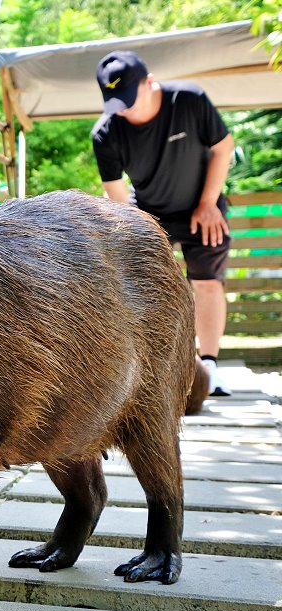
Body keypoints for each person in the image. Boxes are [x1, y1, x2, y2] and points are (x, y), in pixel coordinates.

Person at [92, 50, 234, 396]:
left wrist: (207, 204)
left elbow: (223, 147)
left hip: (202, 202)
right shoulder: (106, 134)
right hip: (147, 213)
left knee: (206, 282)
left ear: (150, 82)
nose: (124, 109)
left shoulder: (189, 100)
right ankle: (150, 370)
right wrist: (138, 240)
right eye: (116, 103)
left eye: (129, 99)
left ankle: (210, 367)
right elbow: (118, 201)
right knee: (141, 285)